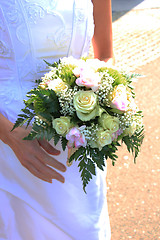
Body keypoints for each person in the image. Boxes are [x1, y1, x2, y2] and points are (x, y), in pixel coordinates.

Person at [0, 0, 113, 239]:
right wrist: (9, 135)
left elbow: (105, 56)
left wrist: (103, 101)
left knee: (85, 230)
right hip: (9, 147)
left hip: (78, 143)